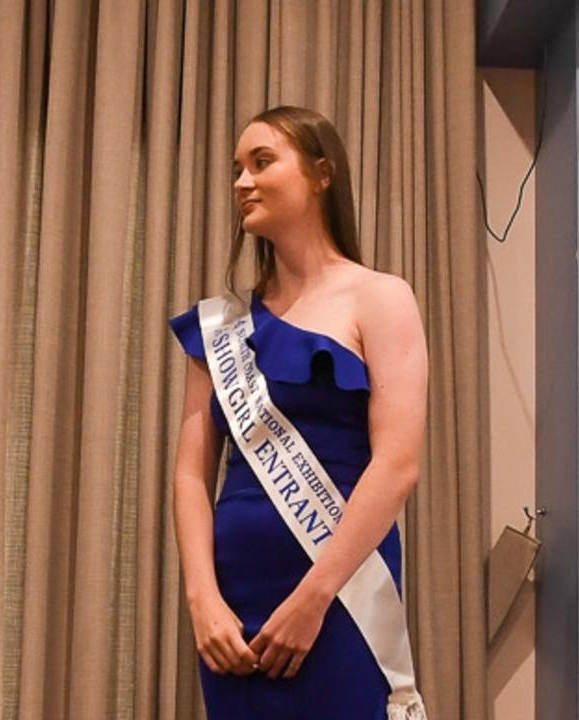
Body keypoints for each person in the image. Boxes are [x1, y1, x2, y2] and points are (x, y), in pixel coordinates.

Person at [169, 106, 428, 719]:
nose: (241, 182)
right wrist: (202, 598)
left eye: (262, 162)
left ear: (321, 175)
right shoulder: (221, 325)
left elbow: (396, 466)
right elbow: (189, 472)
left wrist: (313, 598)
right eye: (237, 168)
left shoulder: (381, 297)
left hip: (340, 595)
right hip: (235, 608)